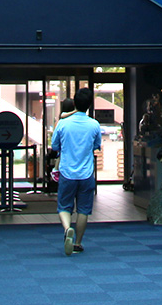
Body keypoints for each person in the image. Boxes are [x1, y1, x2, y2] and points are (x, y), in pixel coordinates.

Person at [48, 86, 101, 255]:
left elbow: (55, 146)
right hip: (86, 174)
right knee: (84, 210)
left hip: (67, 172)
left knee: (64, 206)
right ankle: (78, 243)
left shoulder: (63, 124)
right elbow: (96, 146)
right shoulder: (94, 125)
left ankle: (66, 229)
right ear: (89, 105)